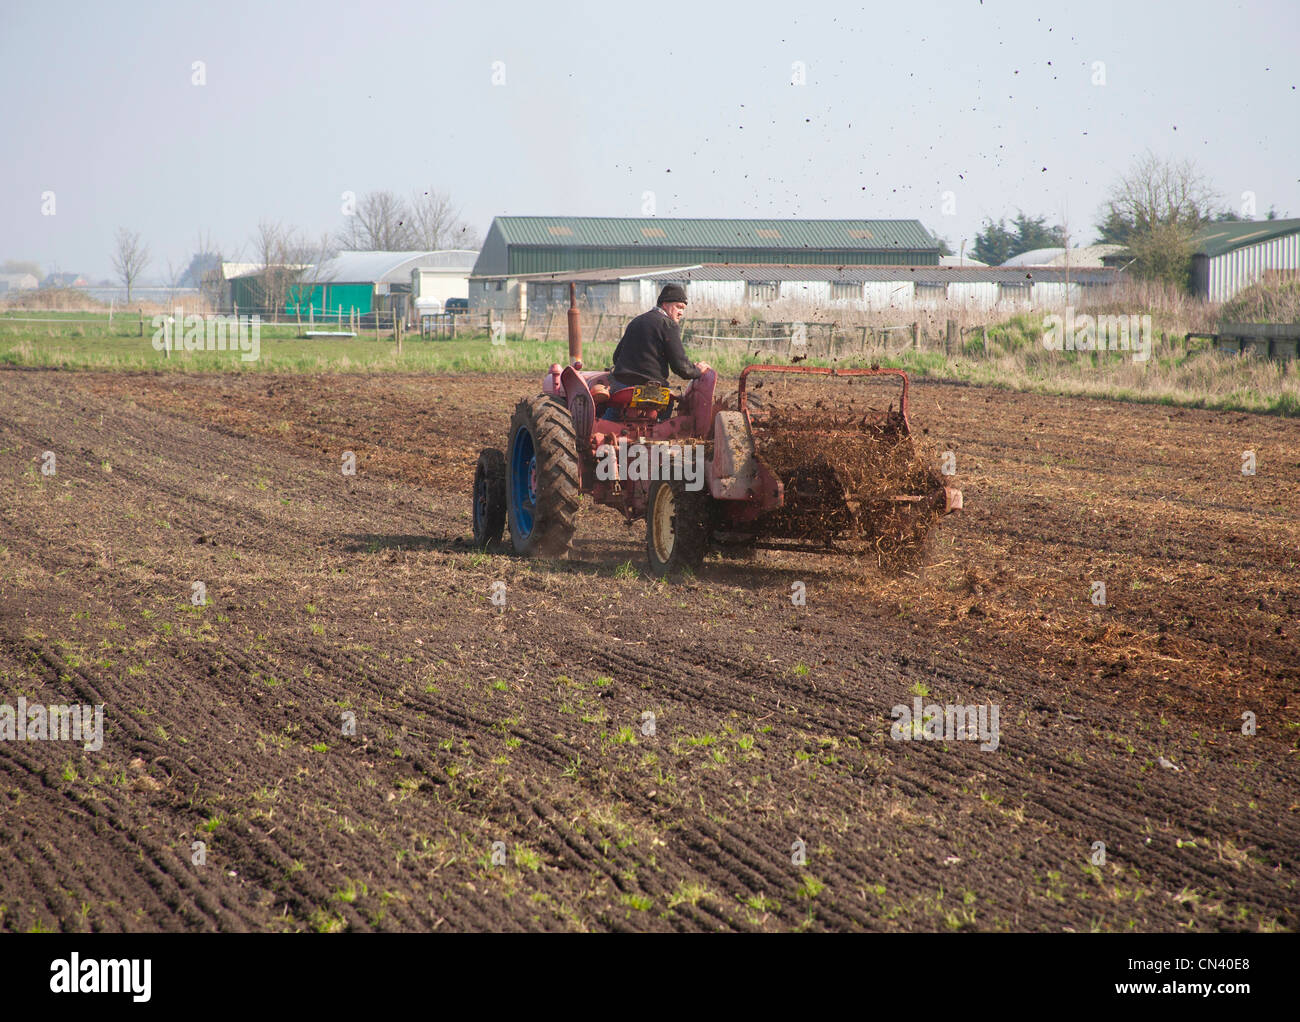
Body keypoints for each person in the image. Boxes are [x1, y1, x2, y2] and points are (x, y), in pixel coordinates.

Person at [609, 284, 710, 389]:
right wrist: (698, 371)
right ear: (665, 304)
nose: (681, 313)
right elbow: (680, 367)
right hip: (650, 389)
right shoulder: (668, 325)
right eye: (678, 307)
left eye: (683, 309)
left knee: (612, 405)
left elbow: (616, 357)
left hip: (621, 386)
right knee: (671, 403)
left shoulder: (636, 321)